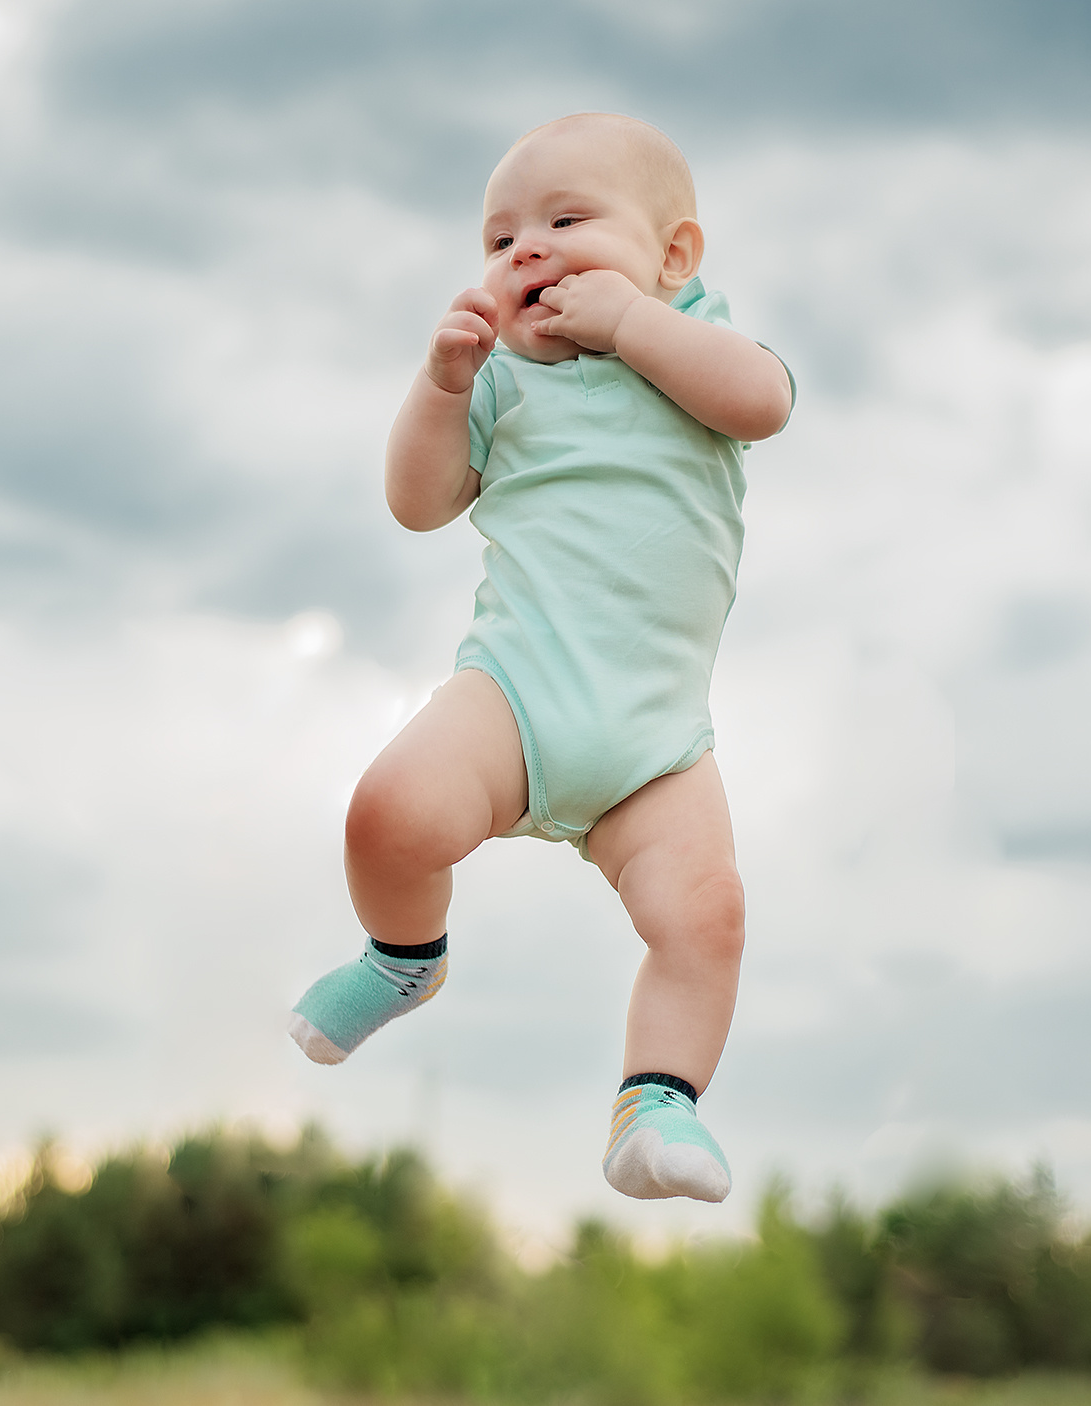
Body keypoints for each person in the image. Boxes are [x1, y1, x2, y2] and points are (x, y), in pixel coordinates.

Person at [288, 112, 793, 1203]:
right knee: (388, 812)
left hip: (657, 743)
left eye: (566, 222)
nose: (526, 250)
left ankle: (657, 1102)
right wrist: (440, 384)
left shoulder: (693, 344)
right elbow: (416, 504)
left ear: (672, 258)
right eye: (498, 238)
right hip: (514, 696)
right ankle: (402, 954)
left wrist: (629, 324)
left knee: (705, 914)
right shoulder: (505, 385)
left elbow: (763, 401)